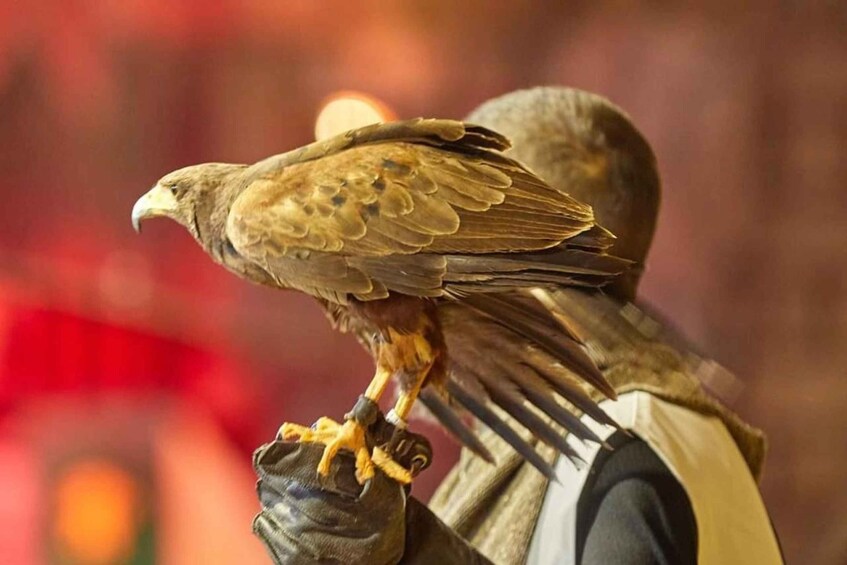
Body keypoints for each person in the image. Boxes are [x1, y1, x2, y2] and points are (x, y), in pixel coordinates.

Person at [252, 87, 783, 564]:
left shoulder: (626, 447)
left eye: (429, 234)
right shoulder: (612, 435)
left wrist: (416, 556)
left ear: (507, 252)